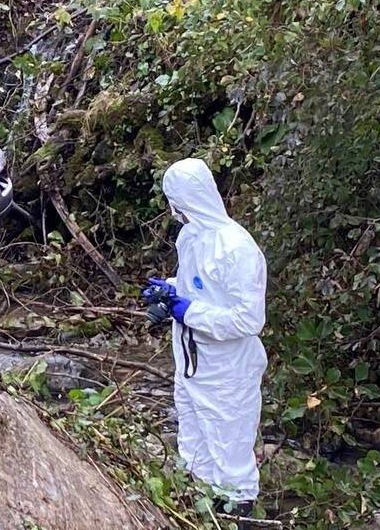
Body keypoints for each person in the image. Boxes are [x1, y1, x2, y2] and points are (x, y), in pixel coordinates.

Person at [146, 157, 267, 507]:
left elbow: (248, 319)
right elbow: (197, 288)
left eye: (176, 202)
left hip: (227, 372)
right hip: (191, 364)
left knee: (229, 453)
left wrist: (190, 312)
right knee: (195, 446)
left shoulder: (237, 248)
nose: (174, 211)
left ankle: (238, 515)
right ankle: (201, 509)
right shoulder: (191, 236)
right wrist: (169, 290)